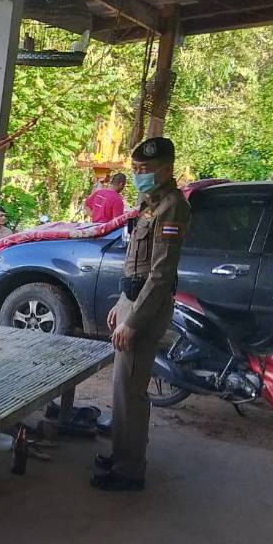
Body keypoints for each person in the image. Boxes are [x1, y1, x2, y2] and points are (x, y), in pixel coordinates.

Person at [92, 138, 189, 491]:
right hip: (132, 300)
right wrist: (121, 303)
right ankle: (122, 454)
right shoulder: (149, 204)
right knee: (122, 386)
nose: (138, 175)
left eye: (145, 170)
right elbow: (136, 264)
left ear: (166, 168)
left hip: (146, 309)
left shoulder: (172, 208)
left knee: (131, 391)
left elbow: (160, 274)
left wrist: (133, 321)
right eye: (135, 170)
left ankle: (129, 470)